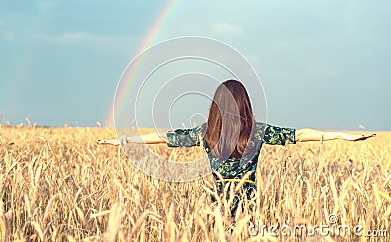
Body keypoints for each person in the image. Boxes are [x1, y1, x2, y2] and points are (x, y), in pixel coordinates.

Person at [98, 80, 375, 215]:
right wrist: (339, 134)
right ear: (246, 104)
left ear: (216, 106)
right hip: (249, 209)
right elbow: (299, 135)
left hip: (217, 208)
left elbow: (164, 136)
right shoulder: (257, 132)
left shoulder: (207, 133)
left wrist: (125, 140)